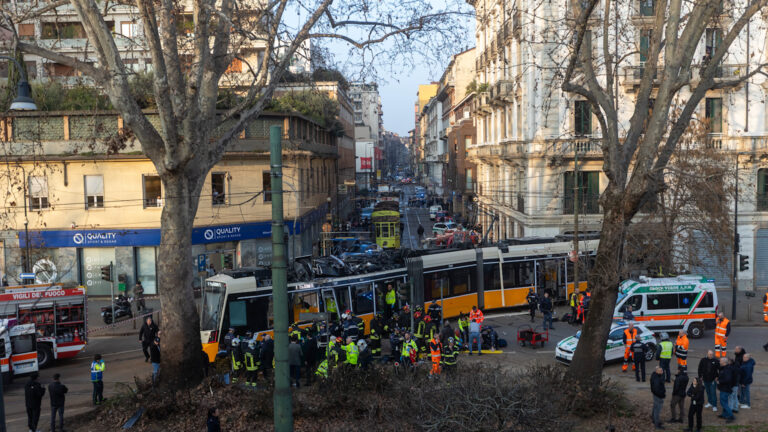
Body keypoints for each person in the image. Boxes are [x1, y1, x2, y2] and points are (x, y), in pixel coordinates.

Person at [716, 357, 735, 421]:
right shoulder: (724, 368)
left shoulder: (727, 369)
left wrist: (719, 381)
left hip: (725, 389)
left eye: (720, 361)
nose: (719, 362)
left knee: (723, 402)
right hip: (724, 388)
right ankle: (724, 414)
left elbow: (727, 379)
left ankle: (731, 415)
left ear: (724, 362)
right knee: (725, 402)